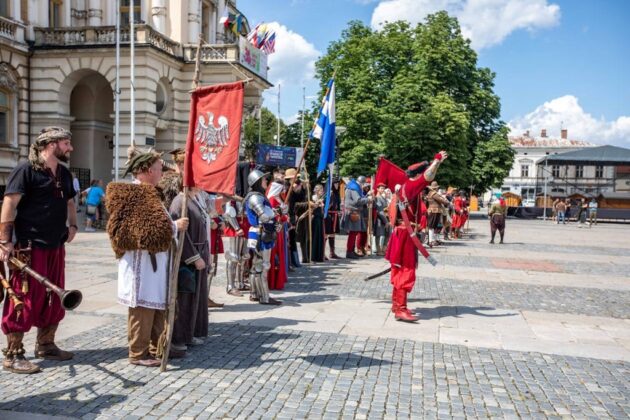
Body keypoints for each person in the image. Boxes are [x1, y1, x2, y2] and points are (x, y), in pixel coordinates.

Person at [0, 126, 78, 374]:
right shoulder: (26, 170)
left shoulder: (63, 173)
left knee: (54, 296)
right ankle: (13, 353)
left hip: (56, 244)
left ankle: (46, 344)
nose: (70, 148)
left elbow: (69, 201)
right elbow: (9, 204)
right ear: (51, 144)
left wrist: (73, 225)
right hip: (28, 246)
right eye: (66, 143)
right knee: (23, 297)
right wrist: (5, 240)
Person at [106, 148, 188, 367]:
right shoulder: (134, 194)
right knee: (142, 307)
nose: (162, 173)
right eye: (159, 169)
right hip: (141, 263)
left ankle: (157, 347)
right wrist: (175, 226)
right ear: (148, 171)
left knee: (157, 305)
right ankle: (138, 353)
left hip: (156, 263)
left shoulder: (150, 193)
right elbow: (145, 229)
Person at [386, 151, 448, 322]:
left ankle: (396, 305)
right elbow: (428, 177)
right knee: (406, 270)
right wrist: (437, 161)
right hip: (405, 234)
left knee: (399, 269)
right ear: (417, 175)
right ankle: (401, 309)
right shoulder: (410, 186)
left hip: (402, 232)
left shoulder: (405, 187)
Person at [169, 187, 210, 357]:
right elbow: (181, 235)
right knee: (184, 300)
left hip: (199, 254)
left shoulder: (195, 200)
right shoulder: (180, 202)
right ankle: (179, 338)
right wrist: (193, 257)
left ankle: (190, 333)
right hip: (187, 260)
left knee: (195, 299)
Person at [244, 170, 282, 305]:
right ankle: (264, 297)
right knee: (264, 265)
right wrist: (277, 212)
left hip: (259, 232)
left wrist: (275, 214)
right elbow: (264, 216)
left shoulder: (258, 196)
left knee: (257, 265)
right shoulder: (255, 197)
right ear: (257, 182)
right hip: (261, 233)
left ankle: (255, 293)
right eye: (264, 179)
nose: (266, 181)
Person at [223, 199, 250, 296]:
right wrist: (237, 228)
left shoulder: (248, 196)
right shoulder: (232, 197)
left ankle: (240, 283)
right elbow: (228, 213)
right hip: (236, 226)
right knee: (233, 257)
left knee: (244, 256)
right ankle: (230, 286)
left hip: (246, 225)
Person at [266, 176, 288, 289]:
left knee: (278, 254)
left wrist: (284, 215)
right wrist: (283, 216)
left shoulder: (277, 198)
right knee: (274, 255)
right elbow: (272, 215)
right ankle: (272, 281)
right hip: (273, 230)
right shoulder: (272, 199)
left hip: (279, 230)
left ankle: (278, 280)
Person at [342, 176, 371, 259]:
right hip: (353, 212)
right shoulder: (354, 188)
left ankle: (351, 250)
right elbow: (357, 200)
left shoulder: (353, 187)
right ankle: (349, 251)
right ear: (361, 183)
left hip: (354, 211)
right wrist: (368, 199)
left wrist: (366, 197)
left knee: (354, 232)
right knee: (353, 232)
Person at [426, 181, 449, 247]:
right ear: (436, 188)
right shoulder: (434, 194)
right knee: (432, 226)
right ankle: (431, 241)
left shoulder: (430, 193)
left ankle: (432, 240)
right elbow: (442, 201)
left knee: (433, 226)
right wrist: (447, 202)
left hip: (432, 211)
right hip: (435, 211)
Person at [324, 177, 342, 259]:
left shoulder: (336, 193)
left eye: (338, 183)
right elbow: (327, 206)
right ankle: (322, 253)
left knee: (332, 234)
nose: (337, 185)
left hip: (335, 215)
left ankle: (332, 252)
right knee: (326, 234)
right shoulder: (329, 193)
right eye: (335, 183)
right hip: (329, 216)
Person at [310, 184, 326, 262]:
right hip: (315, 219)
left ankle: (319, 256)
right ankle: (313, 256)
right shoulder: (313, 198)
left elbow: (322, 210)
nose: (322, 192)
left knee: (320, 237)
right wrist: (317, 203)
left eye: (322, 190)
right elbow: (312, 208)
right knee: (315, 237)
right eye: (320, 190)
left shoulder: (321, 198)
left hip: (320, 218)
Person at [374, 183, 390, 256]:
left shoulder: (383, 198)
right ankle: (378, 250)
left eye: (383, 188)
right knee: (378, 234)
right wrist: (386, 221)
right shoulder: (377, 198)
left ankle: (384, 249)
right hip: (380, 218)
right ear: (377, 189)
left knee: (387, 234)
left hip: (385, 217)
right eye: (381, 188)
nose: (383, 189)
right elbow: (380, 211)